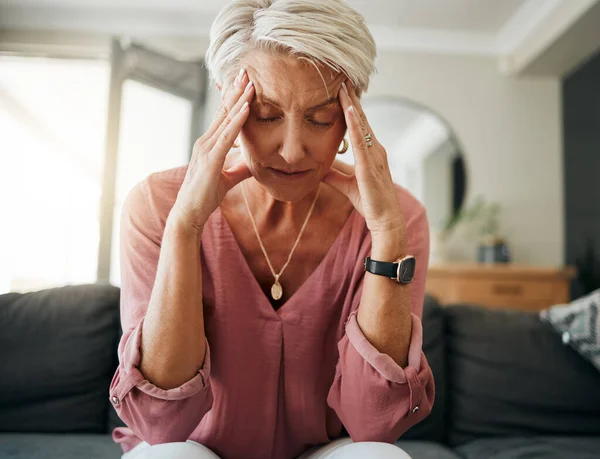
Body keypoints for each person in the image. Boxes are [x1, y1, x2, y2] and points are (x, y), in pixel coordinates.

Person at [109, 1, 434, 458]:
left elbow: (373, 423)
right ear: (227, 101)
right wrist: (185, 228)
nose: (293, 151)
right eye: (265, 115)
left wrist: (386, 231)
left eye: (321, 118)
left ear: (350, 112)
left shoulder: (398, 215)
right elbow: (162, 424)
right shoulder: (157, 205)